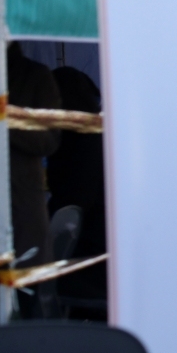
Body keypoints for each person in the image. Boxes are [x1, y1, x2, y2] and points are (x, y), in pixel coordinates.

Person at [0, 43, 62, 322]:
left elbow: (50, 140)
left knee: (22, 316)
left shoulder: (34, 75)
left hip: (20, 213)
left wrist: (5, 120)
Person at [46, 67, 107, 321]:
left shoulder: (77, 141)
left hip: (87, 261)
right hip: (102, 252)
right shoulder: (97, 133)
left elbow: (72, 203)